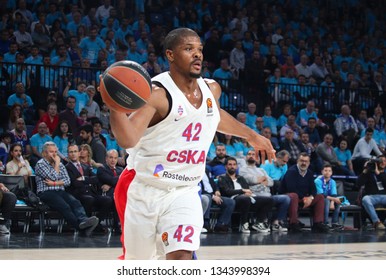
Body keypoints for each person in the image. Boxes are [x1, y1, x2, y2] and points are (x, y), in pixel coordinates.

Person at [104, 28, 275, 260]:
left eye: (199, 50)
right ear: (170, 55)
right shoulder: (156, 94)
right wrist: (114, 107)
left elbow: (214, 115)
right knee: (140, 265)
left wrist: (251, 136)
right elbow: (127, 139)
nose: (197, 55)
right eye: (188, 49)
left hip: (184, 190)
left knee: (182, 256)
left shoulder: (211, 89)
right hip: (144, 186)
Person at [34, 142, 99, 236]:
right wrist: (56, 165)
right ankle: (81, 228)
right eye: (51, 152)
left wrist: (55, 183)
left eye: (56, 152)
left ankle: (84, 220)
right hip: (45, 192)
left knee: (75, 202)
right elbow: (53, 176)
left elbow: (67, 181)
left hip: (59, 190)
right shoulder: (41, 164)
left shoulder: (60, 165)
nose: (54, 154)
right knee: (65, 206)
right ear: (44, 153)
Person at [218, 157, 274, 233]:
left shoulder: (240, 178)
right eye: (230, 164)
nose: (232, 166)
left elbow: (247, 188)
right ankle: (244, 224)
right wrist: (242, 191)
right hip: (233, 199)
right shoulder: (222, 178)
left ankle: (259, 222)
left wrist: (248, 192)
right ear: (226, 167)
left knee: (268, 200)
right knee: (245, 198)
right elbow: (227, 191)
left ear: (237, 166)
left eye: (234, 164)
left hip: (247, 198)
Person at [65, 144, 113, 231]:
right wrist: (88, 181)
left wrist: (83, 179)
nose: (73, 154)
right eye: (71, 152)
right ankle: (85, 224)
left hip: (91, 193)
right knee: (89, 199)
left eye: (75, 151)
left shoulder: (85, 166)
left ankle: (96, 223)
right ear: (68, 154)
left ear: (79, 153)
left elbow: (96, 179)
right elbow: (74, 183)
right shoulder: (66, 168)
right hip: (78, 194)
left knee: (108, 200)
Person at [239, 150, 290, 231]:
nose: (251, 156)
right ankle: (260, 222)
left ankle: (275, 223)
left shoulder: (261, 170)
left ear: (257, 158)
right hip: (255, 195)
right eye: (249, 154)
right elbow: (251, 180)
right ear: (246, 157)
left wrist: (260, 181)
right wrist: (261, 180)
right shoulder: (242, 170)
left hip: (268, 195)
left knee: (286, 198)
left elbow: (271, 182)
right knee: (268, 199)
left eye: (253, 154)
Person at [279, 153, 330, 233]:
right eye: (302, 161)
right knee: (294, 195)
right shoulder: (291, 171)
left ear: (309, 163)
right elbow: (291, 188)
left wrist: (310, 198)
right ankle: (293, 224)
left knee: (320, 197)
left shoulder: (309, 173)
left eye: (306, 161)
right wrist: (305, 198)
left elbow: (313, 189)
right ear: (297, 161)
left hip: (303, 199)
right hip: (289, 197)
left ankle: (318, 223)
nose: (304, 163)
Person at [358, 158, 386, 230]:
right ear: (376, 163)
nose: (382, 162)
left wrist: (379, 173)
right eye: (380, 161)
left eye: (384, 161)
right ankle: (377, 222)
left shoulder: (384, 174)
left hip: (384, 196)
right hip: (372, 197)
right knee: (365, 199)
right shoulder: (369, 174)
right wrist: (365, 171)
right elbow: (358, 184)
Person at [314, 164, 343, 230]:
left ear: (331, 172)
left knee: (339, 200)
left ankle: (334, 223)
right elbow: (321, 195)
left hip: (330, 198)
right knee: (326, 201)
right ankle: (325, 223)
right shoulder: (317, 181)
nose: (327, 172)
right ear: (322, 172)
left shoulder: (332, 181)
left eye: (329, 171)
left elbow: (334, 195)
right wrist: (333, 199)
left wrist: (332, 202)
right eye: (325, 170)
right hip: (319, 199)